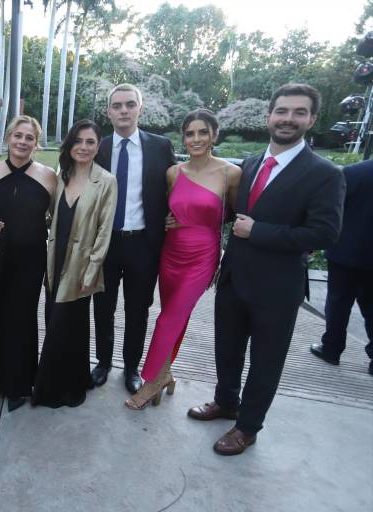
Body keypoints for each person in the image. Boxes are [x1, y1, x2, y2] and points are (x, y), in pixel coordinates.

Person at [188, 83, 345, 456]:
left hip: (277, 286)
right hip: (234, 278)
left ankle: (248, 427)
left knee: (265, 360)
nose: (288, 119)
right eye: (282, 111)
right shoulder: (251, 165)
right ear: (269, 116)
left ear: (311, 119)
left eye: (298, 112)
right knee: (227, 349)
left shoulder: (324, 173)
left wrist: (259, 231)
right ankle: (226, 402)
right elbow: (228, 212)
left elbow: (325, 232)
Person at [125, 110, 242, 410]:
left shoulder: (230, 173)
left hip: (202, 255)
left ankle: (150, 380)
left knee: (169, 318)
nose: (196, 139)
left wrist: (200, 219)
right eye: (190, 133)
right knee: (173, 316)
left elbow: (232, 214)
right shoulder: (173, 173)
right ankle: (166, 374)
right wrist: (168, 218)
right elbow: (168, 206)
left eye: (203, 132)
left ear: (215, 135)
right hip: (171, 253)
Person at [92, 84, 177, 393]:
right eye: (117, 105)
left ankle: (131, 368)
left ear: (140, 109)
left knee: (138, 309)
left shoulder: (160, 146)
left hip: (144, 242)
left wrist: (176, 215)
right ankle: (102, 362)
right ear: (109, 112)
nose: (124, 110)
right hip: (105, 243)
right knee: (102, 307)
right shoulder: (97, 148)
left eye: (130, 104)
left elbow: (177, 186)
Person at [32, 120, 117, 408]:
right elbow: (47, 217)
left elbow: (104, 231)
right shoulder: (61, 175)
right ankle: (71, 380)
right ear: (70, 145)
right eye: (78, 141)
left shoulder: (106, 181)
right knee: (54, 319)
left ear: (98, 146)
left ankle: (55, 390)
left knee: (69, 325)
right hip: (55, 262)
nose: (83, 147)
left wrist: (92, 270)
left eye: (90, 142)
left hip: (82, 266)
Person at [0, 115, 57, 411]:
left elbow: (58, 216)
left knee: (22, 316)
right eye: (18, 135)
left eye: (29, 138)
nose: (23, 142)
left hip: (31, 258)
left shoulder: (49, 176)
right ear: (9, 137)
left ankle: (19, 381)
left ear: (36, 144)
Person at [310, 159, 373, 376]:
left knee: (338, 302)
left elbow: (332, 206)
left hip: (346, 251)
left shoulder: (354, 172)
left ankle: (331, 349)